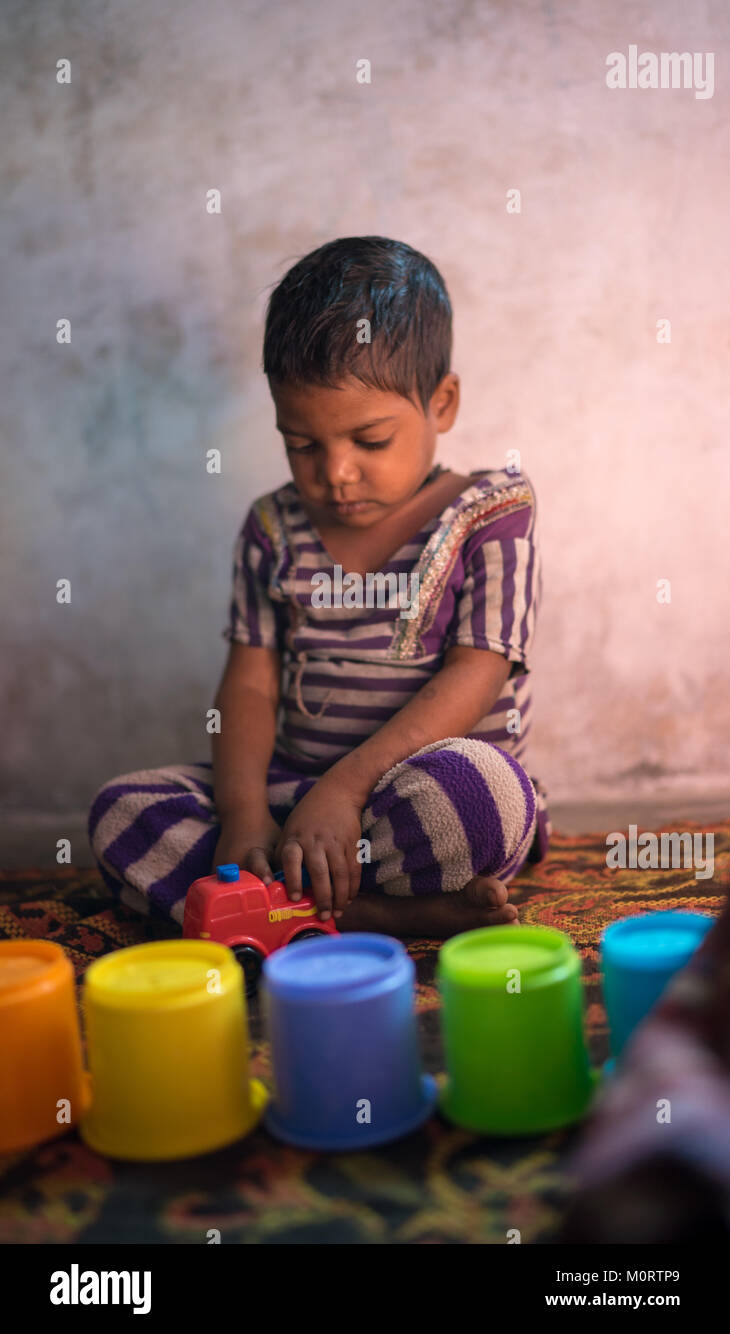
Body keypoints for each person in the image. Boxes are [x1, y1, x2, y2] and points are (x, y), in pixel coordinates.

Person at [88, 236, 551, 939]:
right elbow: (248, 686)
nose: (334, 473)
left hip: (402, 801)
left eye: (369, 441)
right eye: (302, 444)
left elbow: (477, 671)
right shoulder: (272, 531)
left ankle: (281, 906)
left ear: (443, 402)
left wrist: (349, 787)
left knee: (481, 798)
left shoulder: (490, 514)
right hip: (291, 800)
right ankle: (368, 914)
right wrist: (246, 814)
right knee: (123, 809)